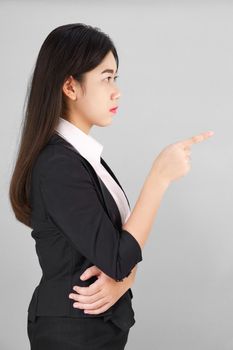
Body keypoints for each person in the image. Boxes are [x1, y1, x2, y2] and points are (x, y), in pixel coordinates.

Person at [9, 23, 214, 349]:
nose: (116, 90)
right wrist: (159, 177)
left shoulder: (83, 157)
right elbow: (118, 259)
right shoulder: (58, 165)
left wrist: (124, 278)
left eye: (115, 78)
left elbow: (116, 254)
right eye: (106, 78)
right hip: (71, 333)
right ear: (70, 87)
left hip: (94, 329)